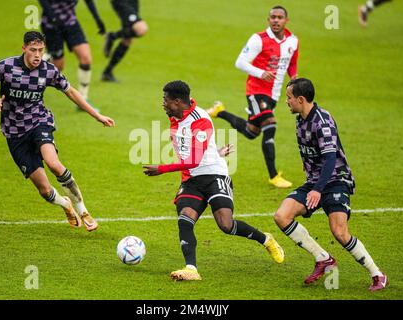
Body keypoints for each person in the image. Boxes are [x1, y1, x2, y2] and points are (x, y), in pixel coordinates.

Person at [143, 80, 284, 281]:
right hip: (191, 179)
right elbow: (192, 150)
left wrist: (162, 169)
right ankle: (191, 269)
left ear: (177, 101)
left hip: (214, 175)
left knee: (226, 225)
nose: (163, 103)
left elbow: (195, 159)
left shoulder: (200, 119)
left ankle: (266, 239)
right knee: (185, 218)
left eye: (165, 100)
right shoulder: (175, 117)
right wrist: (215, 151)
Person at [0, 31, 115, 232]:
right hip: (14, 132)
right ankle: (65, 204)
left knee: (53, 163)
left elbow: (71, 92)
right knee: (45, 190)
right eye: (33, 50)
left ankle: (83, 210)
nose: (37, 55)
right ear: (24, 49)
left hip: (39, 122)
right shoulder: (5, 66)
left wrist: (97, 116)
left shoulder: (48, 71)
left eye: (41, 50)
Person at [273, 78, 387, 291]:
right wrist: (312, 181)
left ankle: (378, 274)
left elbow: (330, 158)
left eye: (288, 98)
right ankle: (322, 258)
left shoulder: (322, 122)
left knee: (340, 231)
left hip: (335, 180)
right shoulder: (300, 119)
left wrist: (317, 189)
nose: (286, 102)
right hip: (315, 181)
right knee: (282, 216)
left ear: (300, 99)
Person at [206, 6, 298, 189]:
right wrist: (261, 73)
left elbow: (292, 63)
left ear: (286, 20)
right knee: (270, 125)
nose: (276, 20)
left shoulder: (293, 41)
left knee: (251, 132)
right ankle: (273, 175)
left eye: (280, 17)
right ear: (268, 19)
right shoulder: (258, 39)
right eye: (273, 17)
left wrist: (294, 80)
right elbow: (240, 62)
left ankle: (220, 112)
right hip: (256, 90)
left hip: (274, 93)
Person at [39, 0, 105, 102]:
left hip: (71, 23)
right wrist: (53, 18)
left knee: (86, 59)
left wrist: (97, 18)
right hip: (51, 26)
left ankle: (83, 98)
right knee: (58, 66)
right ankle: (32, 77)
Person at [101, 0, 148, 82]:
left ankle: (107, 72)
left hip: (132, 2)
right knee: (141, 29)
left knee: (127, 39)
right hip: (123, 2)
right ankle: (113, 36)